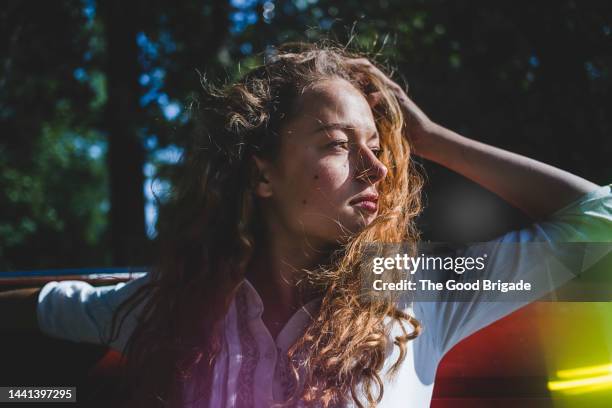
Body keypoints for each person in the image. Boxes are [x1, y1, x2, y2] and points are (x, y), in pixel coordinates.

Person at [2, 43, 611, 408]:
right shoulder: (174, 303)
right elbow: (51, 306)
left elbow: (600, 223)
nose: (376, 167)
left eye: (379, 146)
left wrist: (434, 140)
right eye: (340, 144)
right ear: (262, 173)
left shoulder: (412, 284)